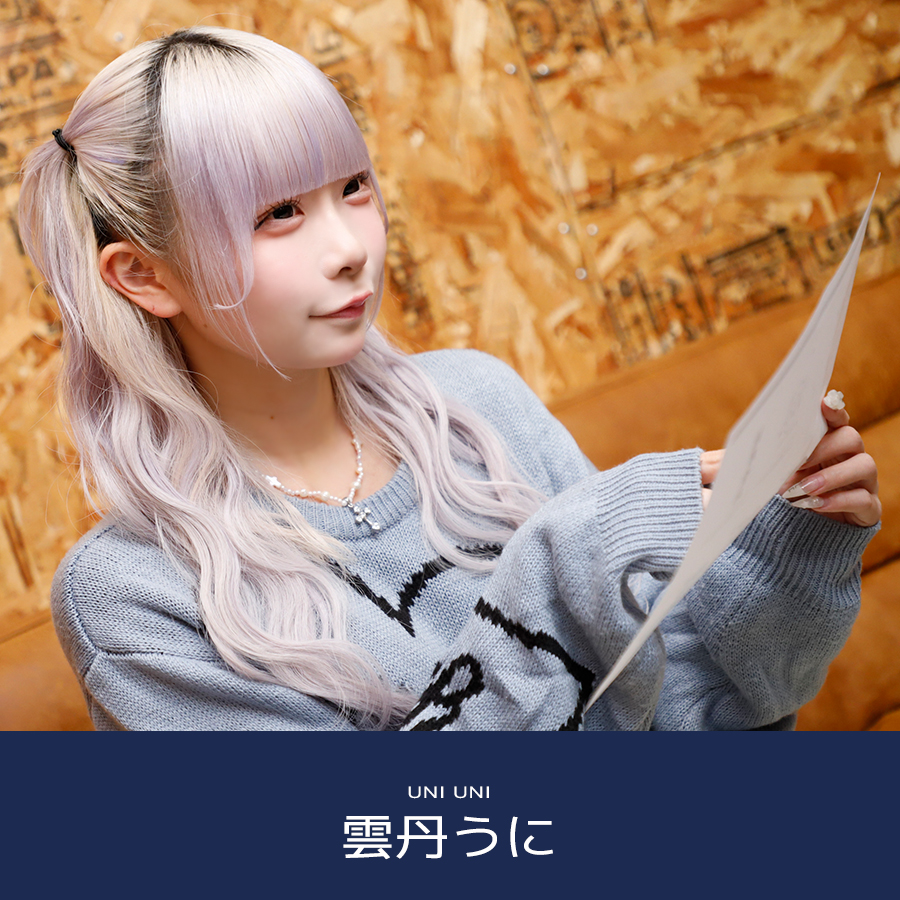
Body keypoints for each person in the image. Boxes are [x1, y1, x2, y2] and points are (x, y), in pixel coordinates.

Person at [18, 27, 881, 731]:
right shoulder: (133, 594)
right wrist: (570, 556)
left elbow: (696, 718)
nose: (350, 247)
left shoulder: (479, 400)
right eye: (279, 213)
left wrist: (788, 549)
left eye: (354, 187)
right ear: (144, 275)